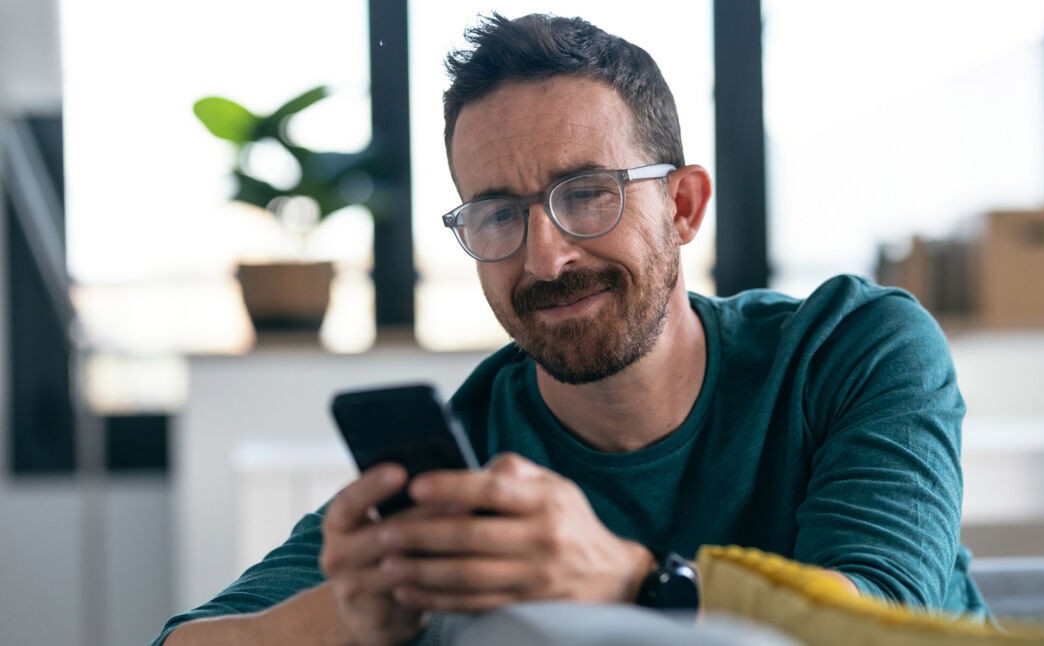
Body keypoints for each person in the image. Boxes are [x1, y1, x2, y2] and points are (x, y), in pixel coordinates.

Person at [154, 12, 985, 646]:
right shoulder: (470, 461)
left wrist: (632, 582)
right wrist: (353, 617)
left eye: (588, 194)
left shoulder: (852, 348)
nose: (545, 258)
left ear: (683, 206)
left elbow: (888, 628)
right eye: (497, 213)